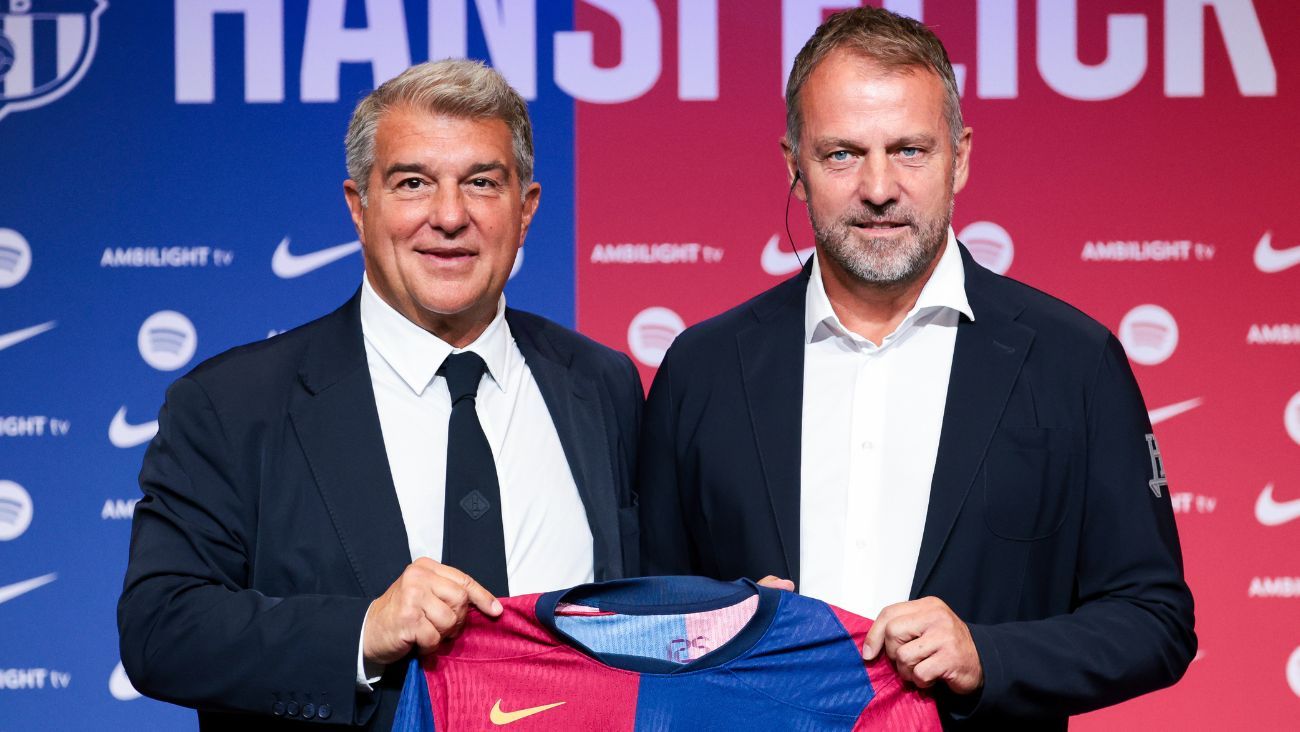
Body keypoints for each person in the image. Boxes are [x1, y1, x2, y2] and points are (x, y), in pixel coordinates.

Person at [637, 7, 1195, 729]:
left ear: (959, 157)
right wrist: (721, 626)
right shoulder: (703, 369)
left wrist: (984, 654)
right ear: (794, 167)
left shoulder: (1074, 362)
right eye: (842, 153)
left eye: (909, 150)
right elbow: (642, 621)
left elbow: (1155, 621)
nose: (877, 187)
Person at [118, 59, 642, 730]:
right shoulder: (231, 404)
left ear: (527, 208)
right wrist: (361, 631)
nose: (449, 216)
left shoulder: (601, 384)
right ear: (358, 207)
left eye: (482, 182)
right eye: (413, 183)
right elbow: (160, 630)